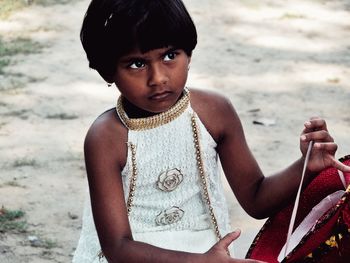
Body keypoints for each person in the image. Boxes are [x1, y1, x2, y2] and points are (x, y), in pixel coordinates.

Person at [72, 0, 350, 262]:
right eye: (137, 63)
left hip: (208, 251)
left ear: (189, 54)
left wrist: (306, 166)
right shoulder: (106, 137)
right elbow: (118, 248)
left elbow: (256, 198)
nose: (158, 78)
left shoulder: (214, 112)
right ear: (107, 71)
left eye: (170, 56)